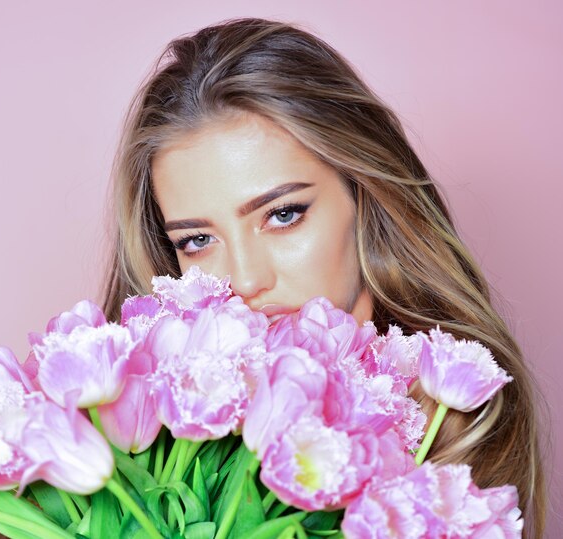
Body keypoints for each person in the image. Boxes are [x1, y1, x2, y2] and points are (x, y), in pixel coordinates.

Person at [101, 17, 546, 537]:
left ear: (365, 196)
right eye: (196, 241)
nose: (244, 282)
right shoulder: (132, 444)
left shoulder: (457, 420)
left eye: (283, 215)